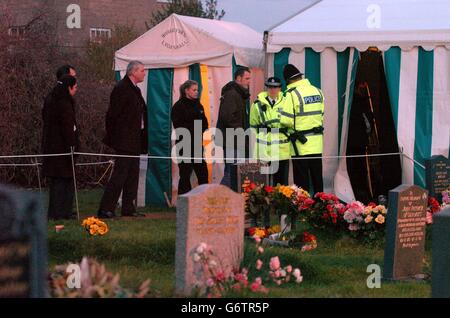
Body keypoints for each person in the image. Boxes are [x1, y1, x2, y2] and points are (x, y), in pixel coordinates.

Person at [98, 61, 148, 218]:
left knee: (133, 174)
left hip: (135, 139)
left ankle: (128, 207)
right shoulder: (122, 88)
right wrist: (116, 137)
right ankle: (106, 208)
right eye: (142, 70)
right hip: (124, 140)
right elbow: (112, 115)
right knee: (120, 175)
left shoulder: (135, 90)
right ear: (132, 72)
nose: (144, 73)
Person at [280, 64, 325, 194]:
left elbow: (286, 120)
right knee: (317, 178)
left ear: (289, 80)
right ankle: (321, 206)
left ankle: (304, 209)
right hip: (316, 143)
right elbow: (321, 113)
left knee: (301, 182)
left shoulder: (291, 94)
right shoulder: (318, 91)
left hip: (300, 145)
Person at [42, 75, 79, 220]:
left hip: (53, 148)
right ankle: (60, 213)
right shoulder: (64, 103)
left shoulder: (51, 99)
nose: (76, 90)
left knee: (58, 182)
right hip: (62, 149)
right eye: (75, 87)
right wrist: (73, 145)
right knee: (62, 182)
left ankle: (58, 212)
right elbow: (68, 127)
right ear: (69, 87)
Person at [249, 77, 290, 185]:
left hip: (281, 150)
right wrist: (253, 150)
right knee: (262, 182)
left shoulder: (287, 103)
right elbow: (253, 127)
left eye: (275, 87)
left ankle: (280, 202)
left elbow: (291, 124)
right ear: (266, 88)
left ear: (280, 88)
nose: (273, 90)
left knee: (281, 183)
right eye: (270, 87)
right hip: (263, 149)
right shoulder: (257, 104)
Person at [216, 66, 251, 191]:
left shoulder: (238, 94)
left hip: (235, 140)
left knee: (233, 171)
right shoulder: (232, 94)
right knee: (231, 171)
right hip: (232, 140)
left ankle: (226, 200)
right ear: (238, 78)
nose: (249, 81)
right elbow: (227, 117)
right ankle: (216, 198)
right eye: (246, 78)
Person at [171, 80, 209, 195]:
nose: (197, 92)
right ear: (186, 90)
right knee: (185, 175)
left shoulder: (199, 105)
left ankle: (204, 200)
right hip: (184, 145)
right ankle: (184, 202)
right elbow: (179, 126)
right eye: (194, 90)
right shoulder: (178, 106)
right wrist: (195, 128)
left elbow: (205, 123)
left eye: (197, 90)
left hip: (197, 145)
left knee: (203, 173)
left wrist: (198, 128)